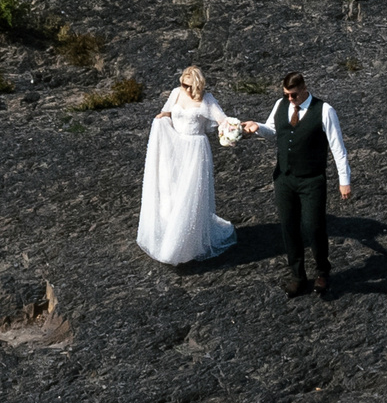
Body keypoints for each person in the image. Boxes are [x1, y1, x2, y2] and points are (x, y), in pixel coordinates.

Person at [243, 71, 353, 297]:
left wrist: (345, 181)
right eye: (286, 95)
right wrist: (257, 128)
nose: (289, 99)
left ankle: (323, 271)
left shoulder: (324, 110)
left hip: (312, 180)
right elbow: (274, 131)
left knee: (314, 226)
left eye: (293, 95)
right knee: (289, 227)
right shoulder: (281, 105)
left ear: (304, 89)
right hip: (284, 178)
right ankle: (297, 275)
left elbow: (338, 148)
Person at [137, 65, 241, 264]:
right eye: (182, 83)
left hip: (195, 149)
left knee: (190, 192)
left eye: (187, 84)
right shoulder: (176, 94)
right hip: (175, 146)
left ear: (197, 84)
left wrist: (231, 132)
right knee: (172, 189)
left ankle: (185, 244)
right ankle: (169, 231)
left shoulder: (207, 100)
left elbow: (222, 120)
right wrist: (162, 118)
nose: (184, 87)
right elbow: (167, 112)